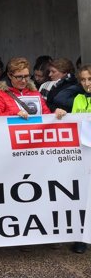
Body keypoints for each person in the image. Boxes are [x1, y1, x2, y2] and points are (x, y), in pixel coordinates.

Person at [55, 64, 91, 254]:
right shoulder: (78, 97)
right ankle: (82, 238)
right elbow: (60, 99)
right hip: (83, 151)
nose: (86, 84)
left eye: (90, 79)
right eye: (83, 80)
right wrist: (63, 114)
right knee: (84, 196)